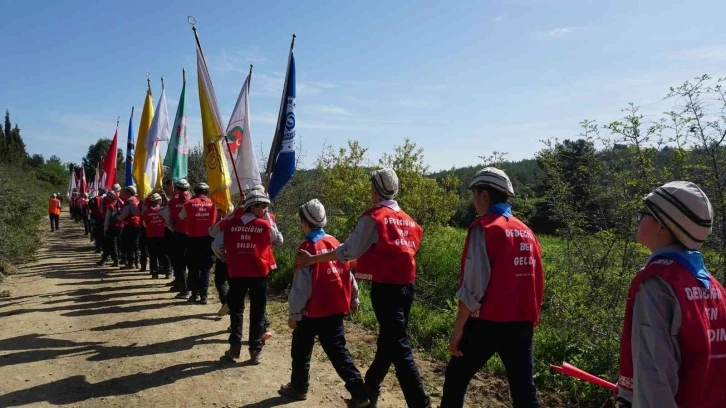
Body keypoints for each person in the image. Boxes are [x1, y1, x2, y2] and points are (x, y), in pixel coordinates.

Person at [296, 168, 430, 408]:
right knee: (389, 342)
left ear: (376, 190)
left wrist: (313, 260)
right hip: (408, 287)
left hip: (386, 290)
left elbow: (348, 252)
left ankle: (421, 403)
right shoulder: (408, 219)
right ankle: (370, 387)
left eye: (371, 187)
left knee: (398, 347)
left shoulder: (374, 217)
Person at [615, 181, 726, 408]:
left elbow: (653, 377)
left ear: (663, 226)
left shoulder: (657, 285)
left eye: (643, 214)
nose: (638, 220)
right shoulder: (715, 288)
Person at [440, 168, 544, 408]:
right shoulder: (527, 231)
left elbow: (474, 286)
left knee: (456, 377)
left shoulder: (485, 228)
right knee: (524, 391)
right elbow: (537, 281)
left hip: (487, 322)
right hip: (522, 323)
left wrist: (458, 329)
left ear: (484, 195)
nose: (473, 200)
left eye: (474, 194)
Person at [278, 199, 369, 406]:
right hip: (336, 309)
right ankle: (360, 393)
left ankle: (299, 388)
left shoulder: (306, 249)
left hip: (312, 312)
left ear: (305, 223)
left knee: (301, 350)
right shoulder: (336, 243)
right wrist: (354, 297)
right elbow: (349, 274)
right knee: (339, 353)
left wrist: (294, 314)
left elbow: (301, 287)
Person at [212, 189, 283, 364]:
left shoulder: (231, 223)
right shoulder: (265, 225)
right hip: (258, 274)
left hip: (236, 273)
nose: (266, 210)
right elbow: (279, 241)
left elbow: (216, 244)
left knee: (236, 310)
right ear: (252, 206)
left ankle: (234, 348)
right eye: (263, 206)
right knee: (257, 312)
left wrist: (227, 259)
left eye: (267, 207)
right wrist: (268, 222)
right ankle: (255, 350)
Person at [179, 182, 217, 304]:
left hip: (193, 240)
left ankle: (194, 294)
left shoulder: (188, 203)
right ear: (207, 192)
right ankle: (204, 296)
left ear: (195, 191)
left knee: (193, 268)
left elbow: (181, 216)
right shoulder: (214, 204)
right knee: (205, 268)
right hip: (208, 240)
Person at [162, 179, 191, 298]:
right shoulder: (193, 201)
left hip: (178, 234)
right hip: (192, 236)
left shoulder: (172, 203)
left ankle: (184, 289)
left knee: (179, 263)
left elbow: (167, 220)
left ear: (177, 189)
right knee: (190, 263)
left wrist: (173, 229)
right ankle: (185, 286)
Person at [142, 193, 171, 279]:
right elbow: (168, 222)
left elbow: (144, 225)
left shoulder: (146, 212)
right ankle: (168, 272)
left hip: (151, 236)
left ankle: (154, 273)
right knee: (164, 254)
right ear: (159, 201)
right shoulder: (163, 210)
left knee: (153, 255)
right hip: (162, 235)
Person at [118, 186, 142, 270]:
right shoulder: (137, 199)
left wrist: (118, 218)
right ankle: (137, 262)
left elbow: (125, 213)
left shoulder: (129, 201)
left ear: (129, 192)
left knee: (128, 244)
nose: (124, 193)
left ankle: (130, 263)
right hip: (138, 224)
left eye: (126, 191)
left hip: (130, 224)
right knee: (135, 244)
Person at [97, 190, 122, 267]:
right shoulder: (121, 203)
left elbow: (107, 218)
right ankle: (104, 260)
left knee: (111, 243)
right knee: (114, 243)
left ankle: (115, 260)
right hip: (121, 226)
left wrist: (105, 228)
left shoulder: (110, 206)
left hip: (112, 226)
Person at [90, 188, 107, 253]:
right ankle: (102, 248)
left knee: (98, 233)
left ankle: (99, 247)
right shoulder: (109, 198)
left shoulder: (96, 198)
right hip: (105, 218)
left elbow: (91, 207)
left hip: (98, 217)